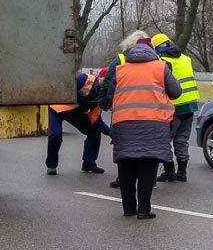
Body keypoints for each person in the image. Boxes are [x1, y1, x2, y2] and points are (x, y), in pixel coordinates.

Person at [99, 33, 181, 219]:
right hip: (154, 123)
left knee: (126, 164)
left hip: (123, 123)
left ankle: (128, 209)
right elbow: (175, 92)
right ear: (151, 51)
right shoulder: (160, 67)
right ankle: (144, 210)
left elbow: (110, 97)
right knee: (147, 165)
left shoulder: (121, 69)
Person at [150, 33, 200, 182]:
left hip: (174, 108)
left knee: (164, 141)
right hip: (190, 106)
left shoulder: (162, 61)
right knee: (182, 140)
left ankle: (169, 172)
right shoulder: (186, 58)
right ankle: (182, 173)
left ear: (157, 48)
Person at [46, 70, 109, 175]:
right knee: (55, 135)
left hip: (73, 112)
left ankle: (89, 163)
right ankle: (51, 165)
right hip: (57, 108)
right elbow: (67, 90)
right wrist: (82, 100)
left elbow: (96, 120)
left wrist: (111, 132)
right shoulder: (85, 79)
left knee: (94, 131)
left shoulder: (101, 96)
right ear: (101, 77)